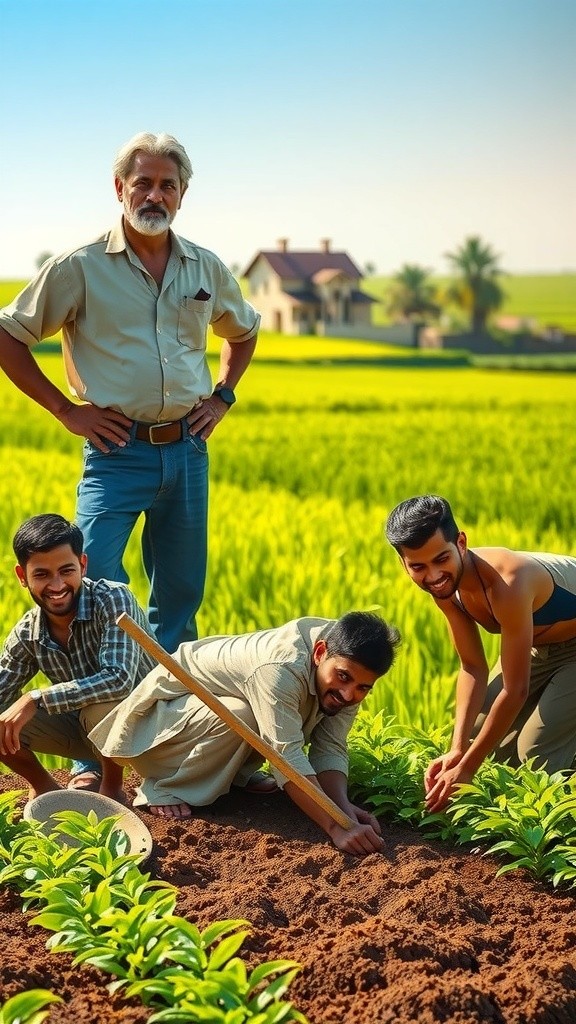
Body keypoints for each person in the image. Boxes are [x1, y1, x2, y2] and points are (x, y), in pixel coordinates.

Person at [0, 131, 260, 789]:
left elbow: (245, 329)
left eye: (168, 184)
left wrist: (223, 396)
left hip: (188, 451)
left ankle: (162, 746)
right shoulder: (80, 266)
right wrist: (67, 411)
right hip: (115, 455)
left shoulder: (204, 267)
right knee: (90, 590)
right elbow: (8, 335)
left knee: (180, 597)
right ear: (120, 188)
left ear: (183, 194)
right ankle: (93, 758)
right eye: (142, 182)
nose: (154, 195)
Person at [87, 612, 400, 857]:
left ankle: (232, 776)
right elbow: (285, 757)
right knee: (243, 715)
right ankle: (166, 787)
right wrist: (335, 827)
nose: (349, 694)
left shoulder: (346, 665)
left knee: (259, 715)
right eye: (343, 678)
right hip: (159, 730)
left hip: (199, 725)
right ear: (320, 653)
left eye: (363, 688)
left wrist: (343, 810)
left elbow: (330, 746)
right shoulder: (280, 668)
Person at [385, 494, 576, 812]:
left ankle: (559, 827)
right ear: (404, 564)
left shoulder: (509, 583)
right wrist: (458, 750)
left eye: (441, 559)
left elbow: (515, 689)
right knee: (479, 735)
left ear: (461, 543)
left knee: (537, 753)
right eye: (418, 566)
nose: (433, 575)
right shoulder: (444, 588)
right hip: (542, 647)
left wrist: (467, 768)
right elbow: (472, 667)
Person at [0, 514, 156, 802]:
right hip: (90, 735)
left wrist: (36, 698)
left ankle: (111, 791)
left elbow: (119, 680)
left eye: (66, 570)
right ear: (22, 576)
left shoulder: (113, 598)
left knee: (101, 704)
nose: (57, 585)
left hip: (152, 725)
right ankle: (45, 788)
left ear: (82, 565)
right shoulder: (28, 632)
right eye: (42, 574)